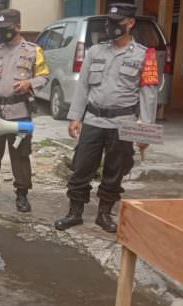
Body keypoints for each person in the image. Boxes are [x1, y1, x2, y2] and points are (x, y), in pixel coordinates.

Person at [54, 3, 158, 233]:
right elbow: (82, 87)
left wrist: (145, 131)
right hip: (93, 119)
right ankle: (75, 212)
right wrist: (75, 117)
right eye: (108, 22)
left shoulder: (144, 55)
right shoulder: (95, 51)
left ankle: (104, 214)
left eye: (117, 23)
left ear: (130, 23)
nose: (110, 27)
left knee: (115, 170)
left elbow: (148, 94)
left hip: (124, 122)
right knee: (81, 167)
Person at [0, 9, 49, 213]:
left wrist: (29, 83)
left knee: (20, 155)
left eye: (6, 29)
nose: (2, 33)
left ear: (17, 27)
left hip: (21, 111)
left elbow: (44, 76)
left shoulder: (33, 51)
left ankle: (22, 195)